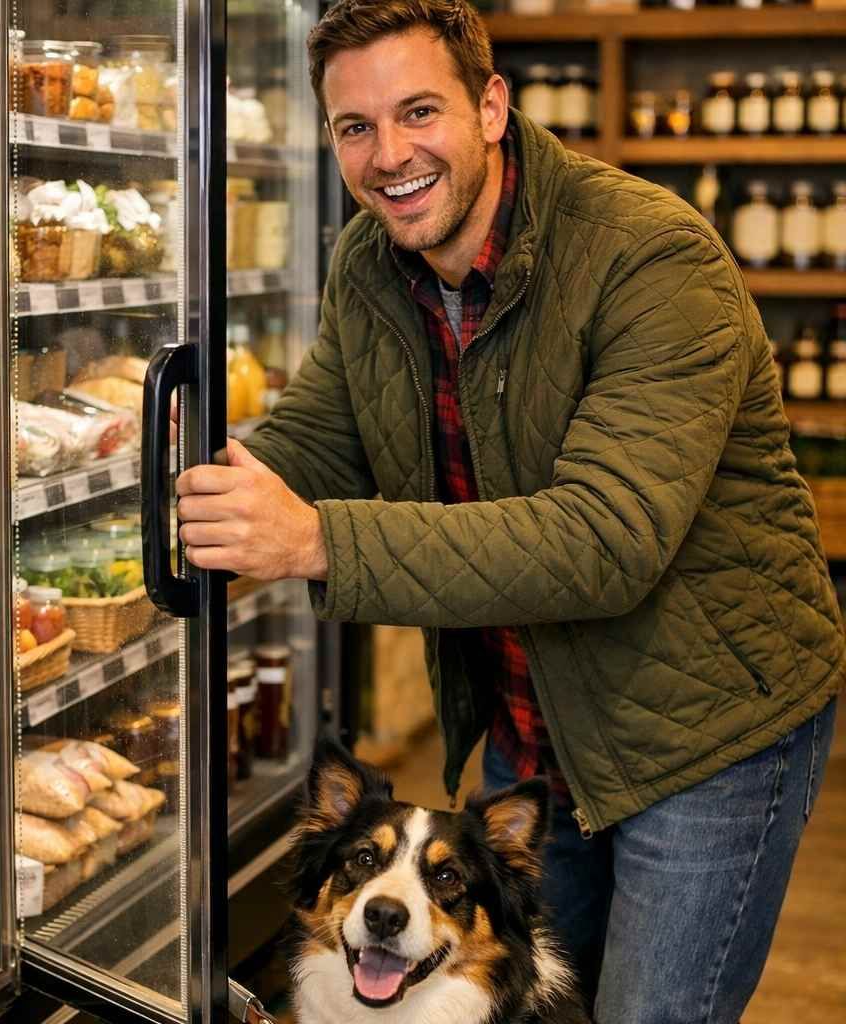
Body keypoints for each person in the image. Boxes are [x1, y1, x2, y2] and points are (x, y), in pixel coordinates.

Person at [174, 2, 842, 1019]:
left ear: (490, 106)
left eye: (419, 112)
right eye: (355, 127)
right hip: (532, 730)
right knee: (511, 1004)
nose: (388, 155)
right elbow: (315, 442)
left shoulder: (651, 256)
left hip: (704, 736)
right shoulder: (369, 264)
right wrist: (175, 491)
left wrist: (316, 539)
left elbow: (604, 538)